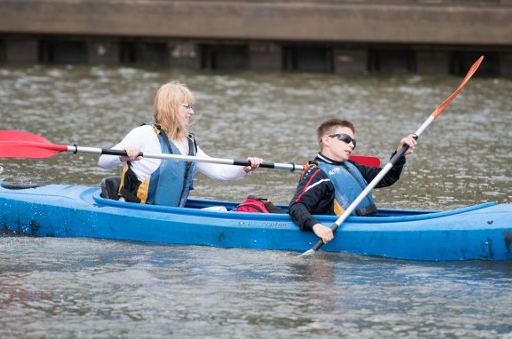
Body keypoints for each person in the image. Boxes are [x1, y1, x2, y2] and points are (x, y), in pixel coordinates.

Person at [98, 81, 263, 207]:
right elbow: (103, 161)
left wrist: (245, 168)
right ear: (171, 108)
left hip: (171, 215)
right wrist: (122, 155)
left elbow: (218, 172)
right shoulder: (144, 134)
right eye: (187, 107)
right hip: (135, 211)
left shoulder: (187, 143)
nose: (192, 112)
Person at [289, 119, 417, 243]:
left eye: (353, 142)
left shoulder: (351, 166)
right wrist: (316, 226)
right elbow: (297, 206)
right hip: (337, 231)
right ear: (326, 140)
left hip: (366, 224)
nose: (351, 145)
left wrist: (399, 154)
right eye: (346, 139)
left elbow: (387, 177)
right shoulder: (317, 173)